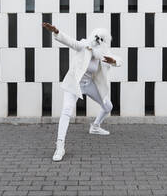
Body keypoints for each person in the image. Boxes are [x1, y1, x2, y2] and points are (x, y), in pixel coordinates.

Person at [42, 22, 123, 162]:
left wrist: (113, 61)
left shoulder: (103, 54)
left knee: (108, 106)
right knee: (66, 111)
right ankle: (60, 146)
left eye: (102, 39)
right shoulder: (84, 46)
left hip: (90, 85)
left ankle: (95, 126)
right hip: (74, 84)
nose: (99, 41)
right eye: (97, 38)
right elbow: (69, 41)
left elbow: (119, 60)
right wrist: (56, 31)